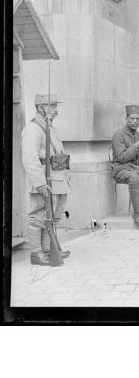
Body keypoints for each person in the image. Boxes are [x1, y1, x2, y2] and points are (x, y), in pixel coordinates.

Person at [21, 94, 71, 265]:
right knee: (38, 217)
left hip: (58, 180)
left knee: (54, 216)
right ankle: (36, 253)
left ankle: (49, 249)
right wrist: (40, 182)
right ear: (41, 107)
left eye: (56, 106)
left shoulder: (51, 128)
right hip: (44, 181)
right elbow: (29, 158)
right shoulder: (33, 129)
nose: (56, 111)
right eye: (52, 106)